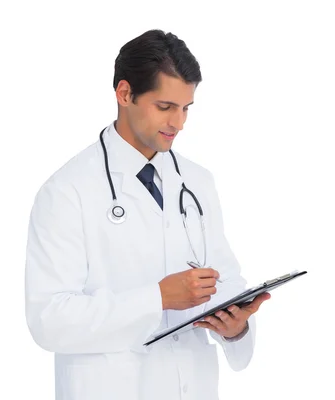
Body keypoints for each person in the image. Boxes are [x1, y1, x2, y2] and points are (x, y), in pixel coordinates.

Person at [24, 29, 271, 400]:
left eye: (186, 108)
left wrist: (234, 326)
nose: (179, 123)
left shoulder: (198, 182)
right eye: (165, 107)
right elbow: (49, 320)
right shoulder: (66, 191)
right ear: (125, 94)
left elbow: (226, 280)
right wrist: (156, 298)